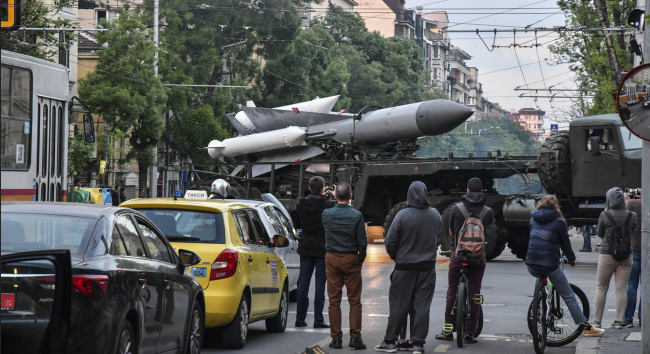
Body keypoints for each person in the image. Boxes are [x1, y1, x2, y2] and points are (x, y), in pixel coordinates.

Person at [525, 195, 605, 337]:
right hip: (550, 264)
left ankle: (536, 317)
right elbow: (565, 245)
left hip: (532, 264)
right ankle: (585, 326)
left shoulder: (533, 219)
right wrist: (571, 259)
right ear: (556, 207)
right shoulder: (559, 222)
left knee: (540, 278)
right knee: (568, 295)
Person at [375, 181, 441, 354]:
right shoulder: (435, 215)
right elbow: (438, 239)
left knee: (398, 306)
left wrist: (397, 257)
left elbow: (390, 242)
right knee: (422, 307)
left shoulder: (402, 215)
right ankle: (418, 344)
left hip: (404, 268)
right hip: (427, 269)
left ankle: (390, 341)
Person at [435, 177, 494, 344]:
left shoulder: (456, 209)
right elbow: (489, 227)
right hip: (478, 257)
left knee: (452, 291)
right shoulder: (487, 211)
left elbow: (452, 231)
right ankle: (470, 333)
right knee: (475, 294)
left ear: (467, 191)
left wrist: (455, 245)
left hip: (458, 255)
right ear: (482, 191)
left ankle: (447, 331)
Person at [322, 183, 367, 350]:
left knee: (334, 300)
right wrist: (359, 259)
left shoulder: (327, 214)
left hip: (332, 257)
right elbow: (362, 241)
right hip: (351, 258)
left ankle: (336, 338)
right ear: (351, 196)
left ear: (335, 196)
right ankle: (355, 337)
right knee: (354, 300)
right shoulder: (357, 215)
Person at [292, 176, 335, 329]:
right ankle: (318, 319)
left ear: (309, 188)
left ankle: (300, 317)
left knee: (303, 282)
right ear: (323, 189)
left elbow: (297, 224)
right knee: (320, 284)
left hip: (306, 246)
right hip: (322, 247)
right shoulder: (328, 204)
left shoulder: (300, 204)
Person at [594, 187, 637, 329]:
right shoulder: (632, 215)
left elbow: (600, 233)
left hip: (607, 253)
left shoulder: (604, 215)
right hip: (626, 255)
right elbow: (630, 230)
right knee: (621, 289)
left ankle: (597, 321)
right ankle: (619, 321)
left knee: (601, 287)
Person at [624, 188, 642, 328]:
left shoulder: (632, 205)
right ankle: (643, 317)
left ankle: (628, 317)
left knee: (631, 285)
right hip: (647, 250)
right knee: (646, 286)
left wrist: (629, 198)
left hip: (634, 248)